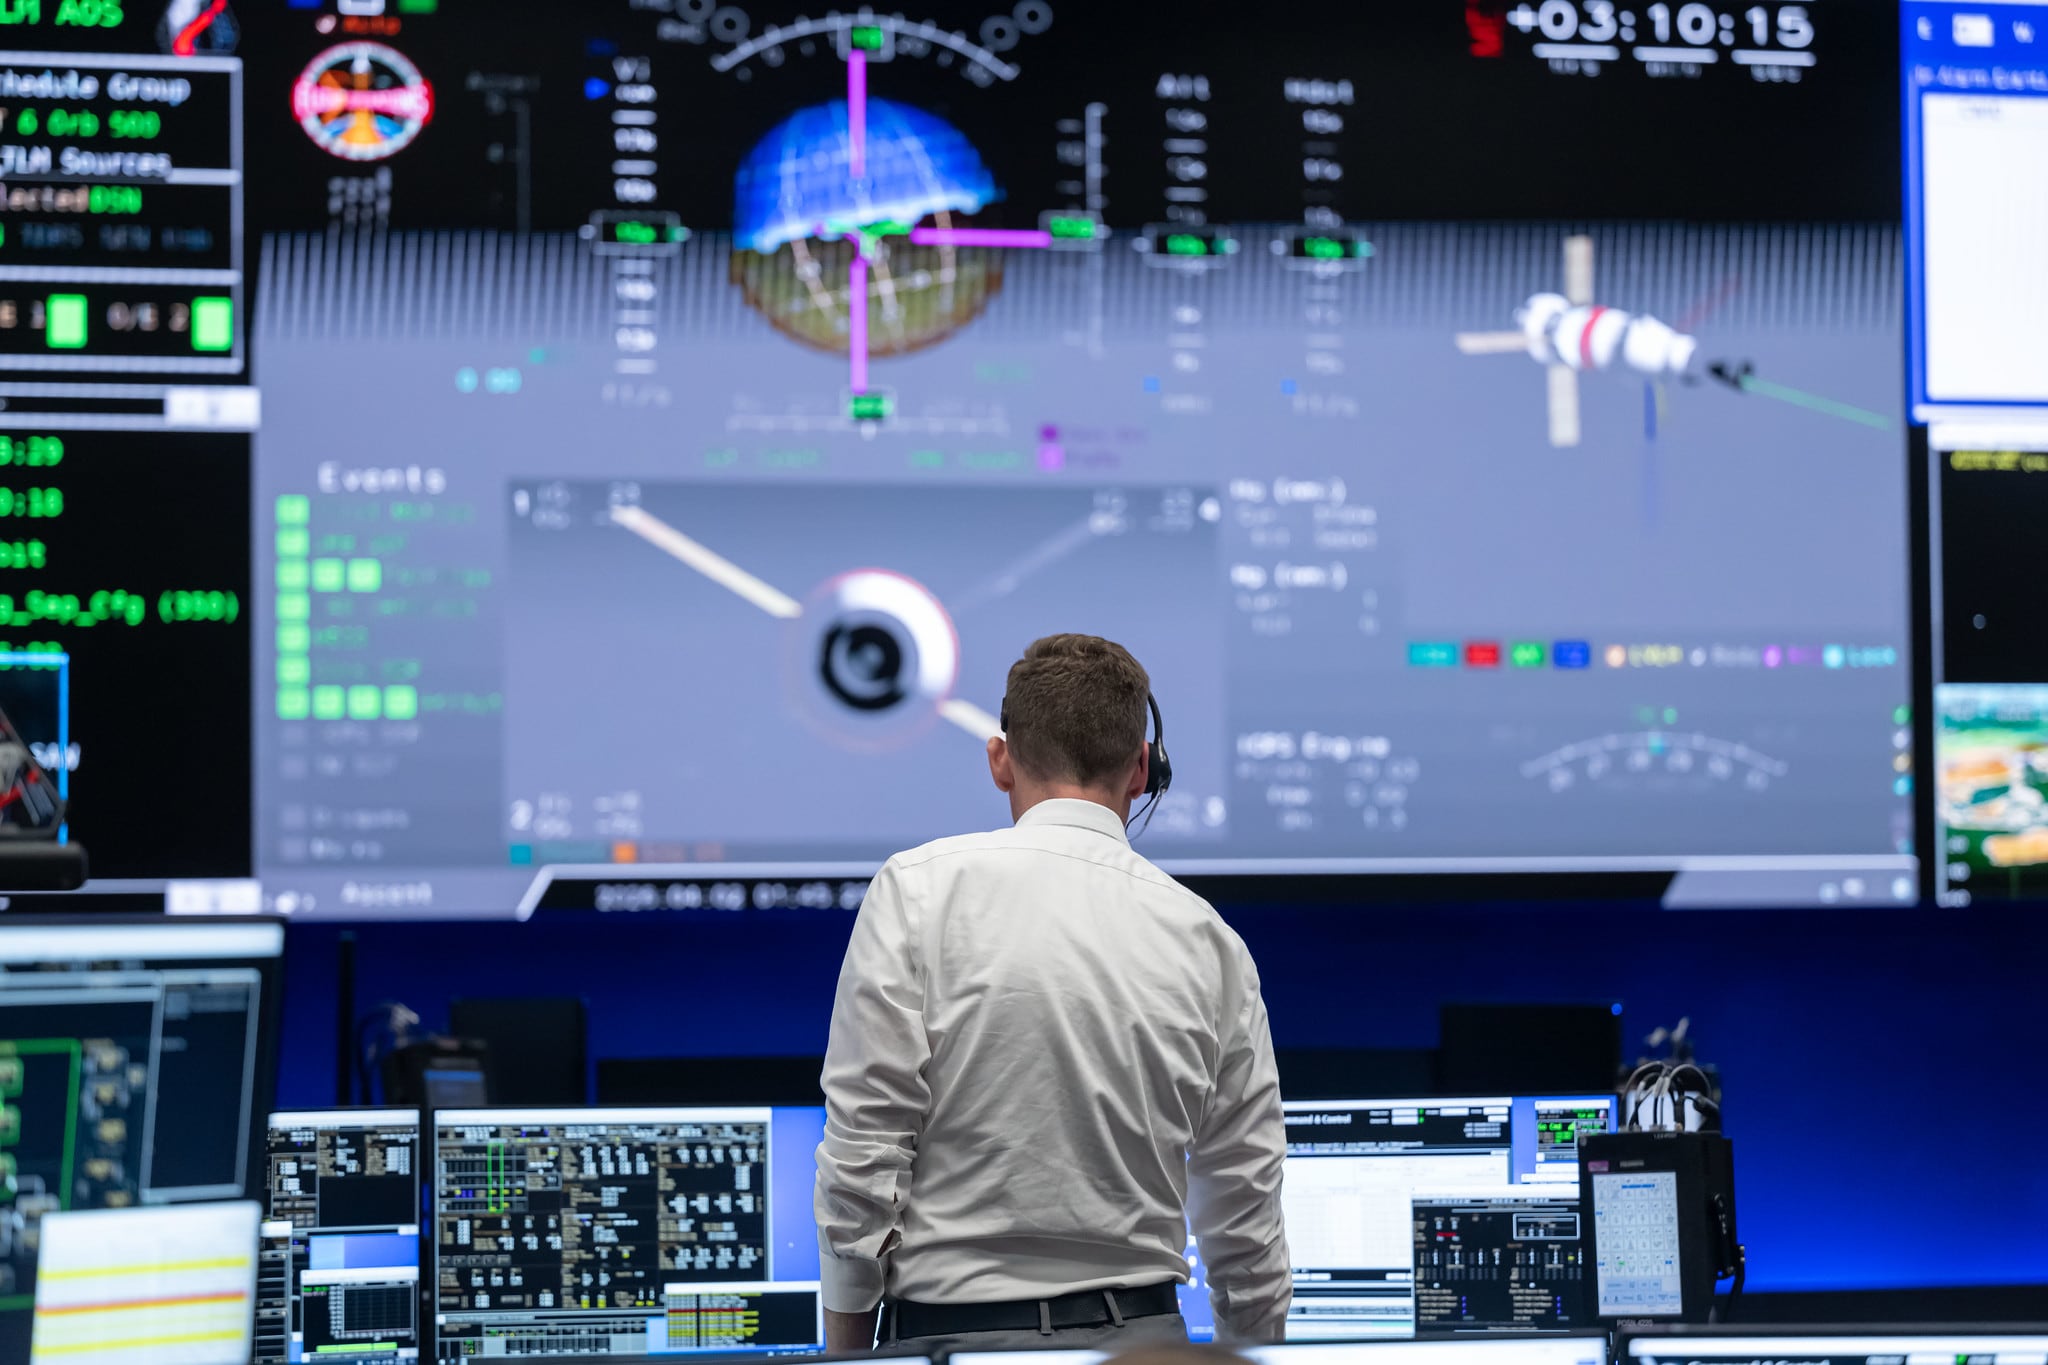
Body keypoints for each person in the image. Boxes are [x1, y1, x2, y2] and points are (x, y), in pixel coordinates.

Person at [813, 633, 1290, 1354]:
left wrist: (846, 1355)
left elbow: (864, 1153)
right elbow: (1245, 1208)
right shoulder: (1209, 940)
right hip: (1144, 1345)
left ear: (1000, 759)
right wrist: (1248, 1350)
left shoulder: (919, 891)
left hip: (953, 1343)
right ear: (1142, 769)